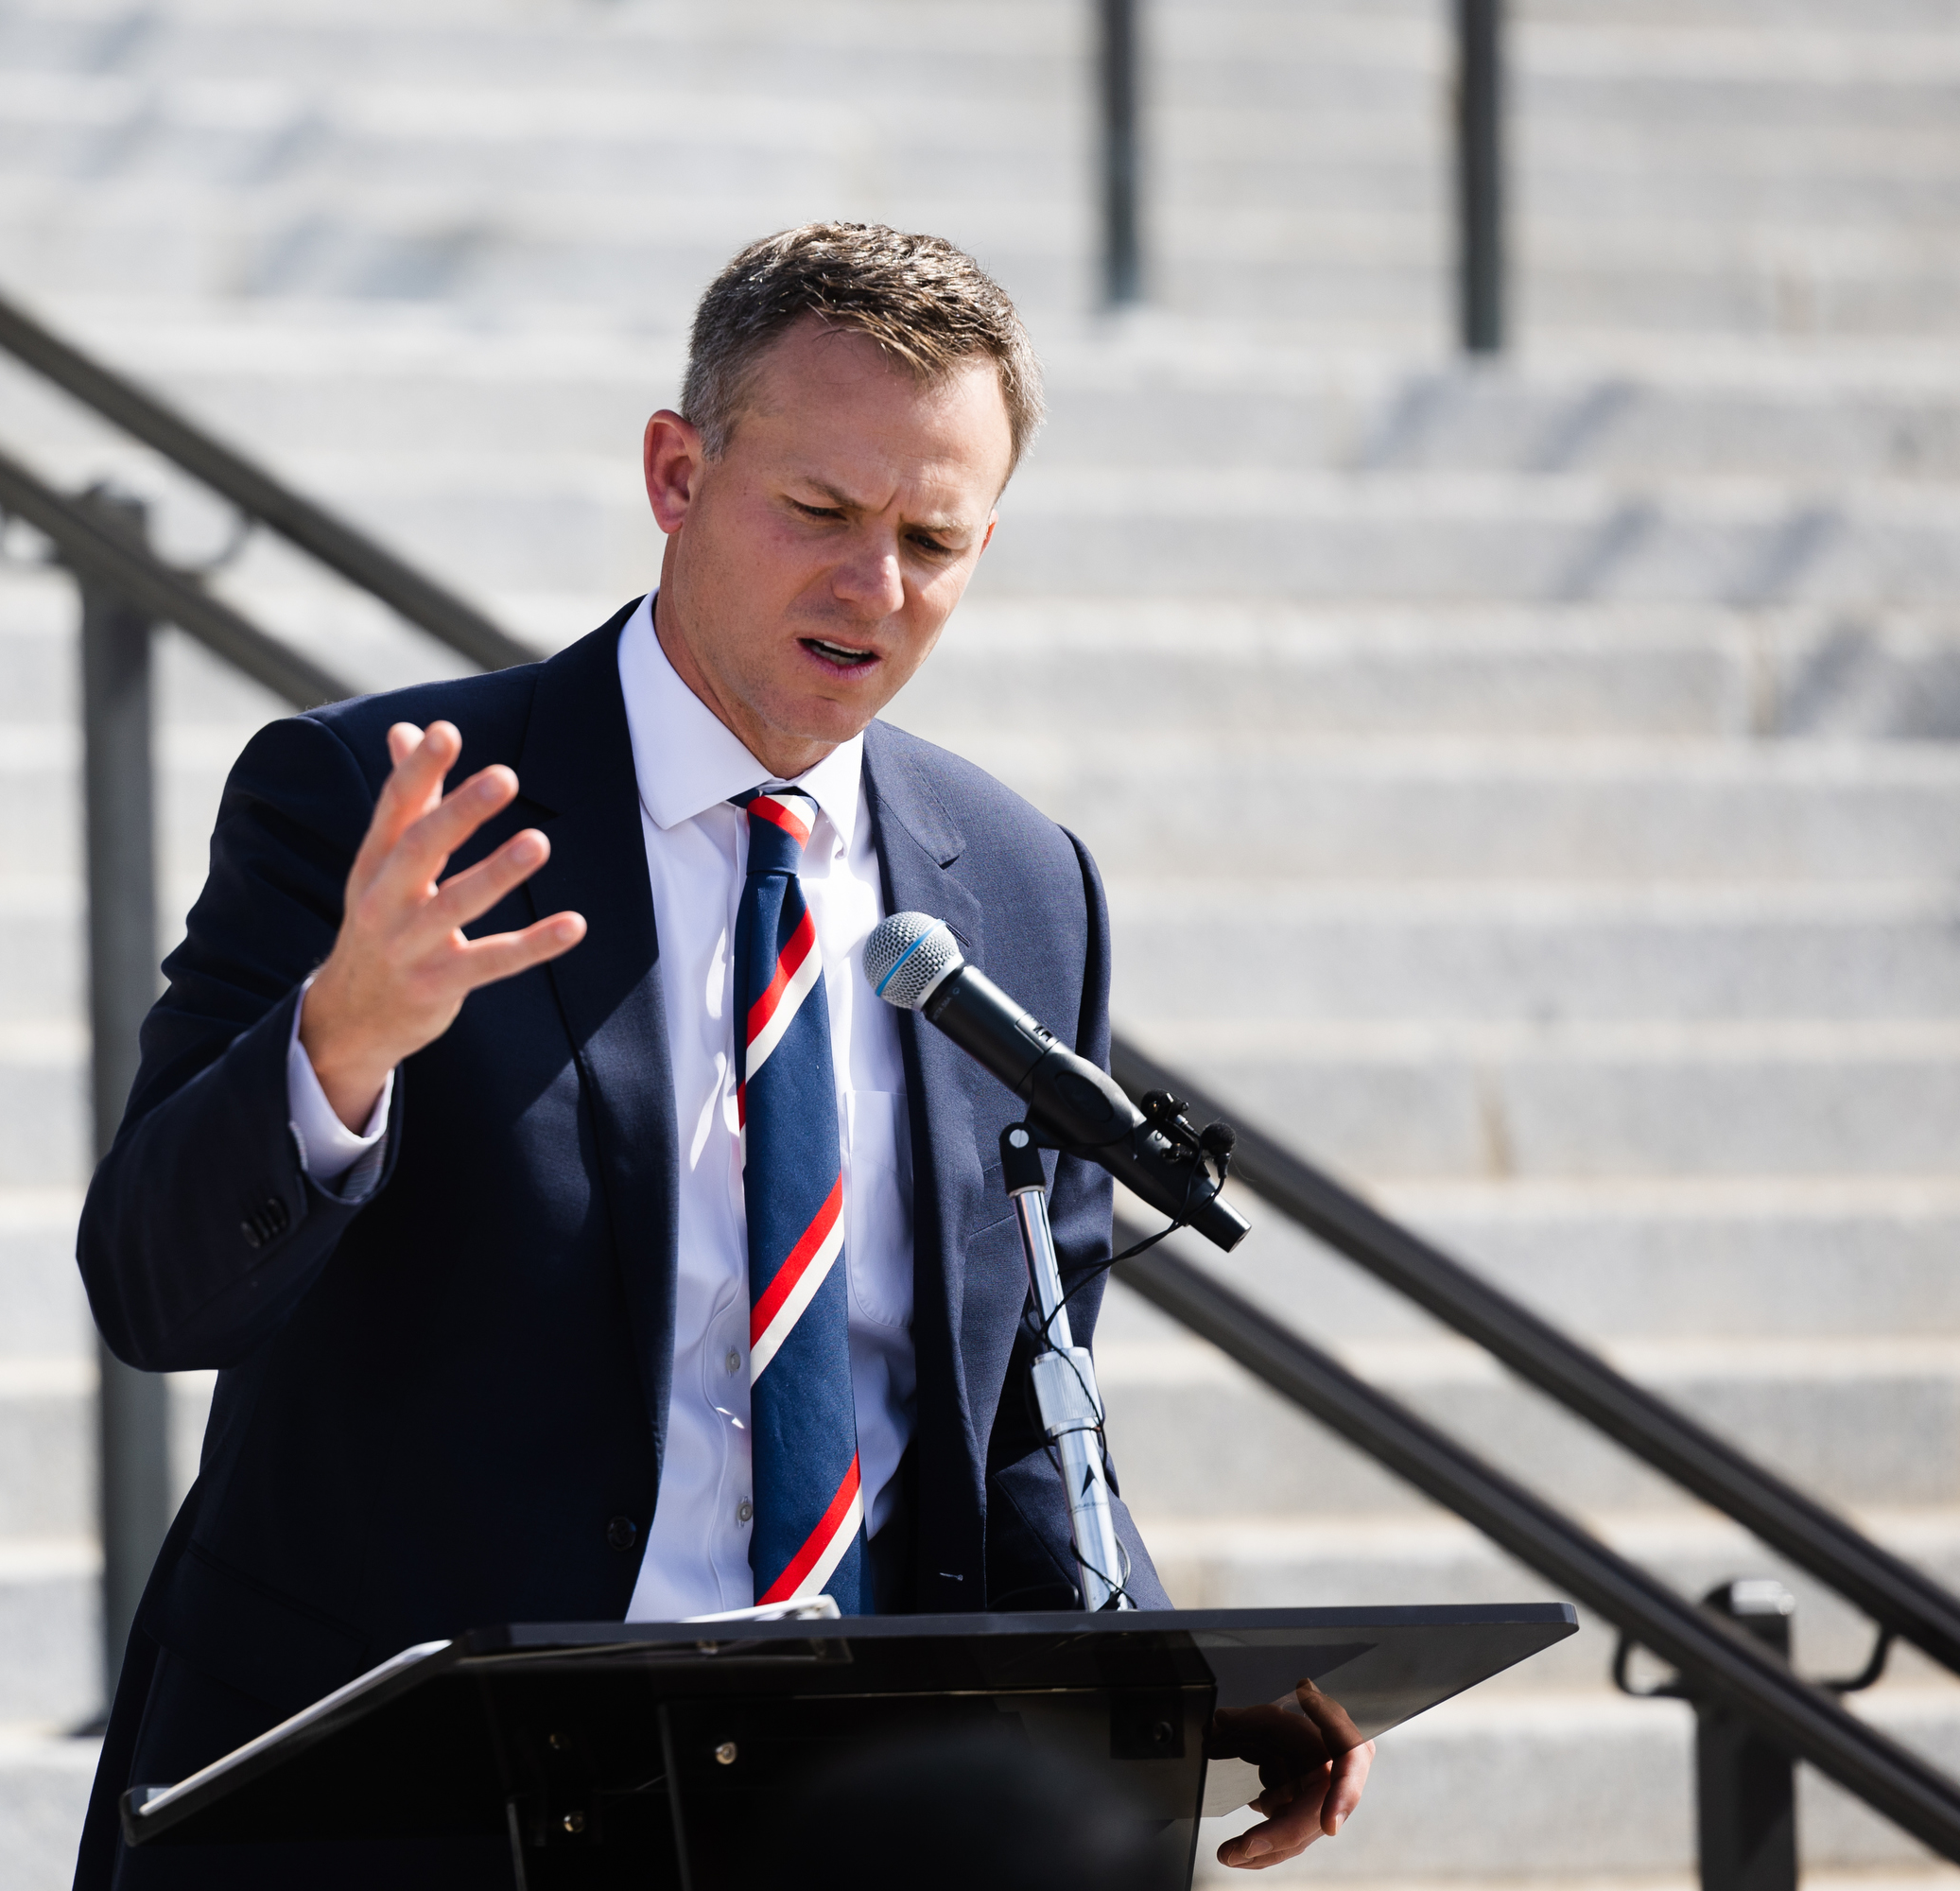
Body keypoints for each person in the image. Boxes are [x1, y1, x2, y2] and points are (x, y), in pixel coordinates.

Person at [72, 222, 1371, 1888]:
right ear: (677, 473)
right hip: (417, 1815)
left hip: (837, 1819)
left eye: (934, 538)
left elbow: (1023, 1411)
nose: (874, 587)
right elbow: (155, 1294)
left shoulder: (1024, 884)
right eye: (821, 513)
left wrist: (1171, 1676)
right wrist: (338, 1045)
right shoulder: (386, 800)